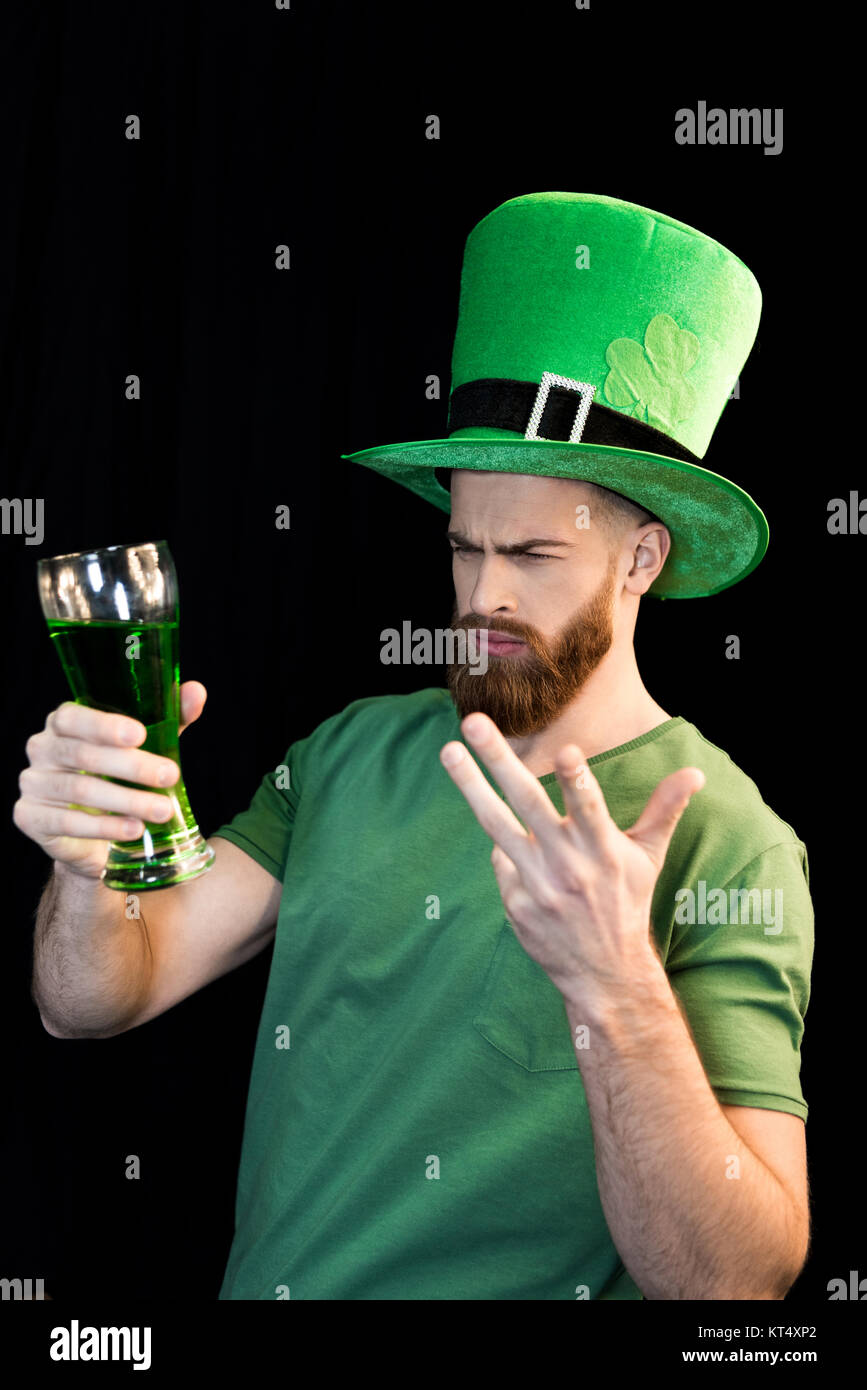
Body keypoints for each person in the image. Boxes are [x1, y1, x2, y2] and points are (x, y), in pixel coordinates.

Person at [19, 193, 812, 1300]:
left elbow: (737, 1283)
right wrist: (88, 861)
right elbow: (95, 998)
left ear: (639, 560)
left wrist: (617, 989)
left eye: (533, 552)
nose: (482, 594)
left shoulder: (727, 838)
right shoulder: (348, 753)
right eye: (463, 545)